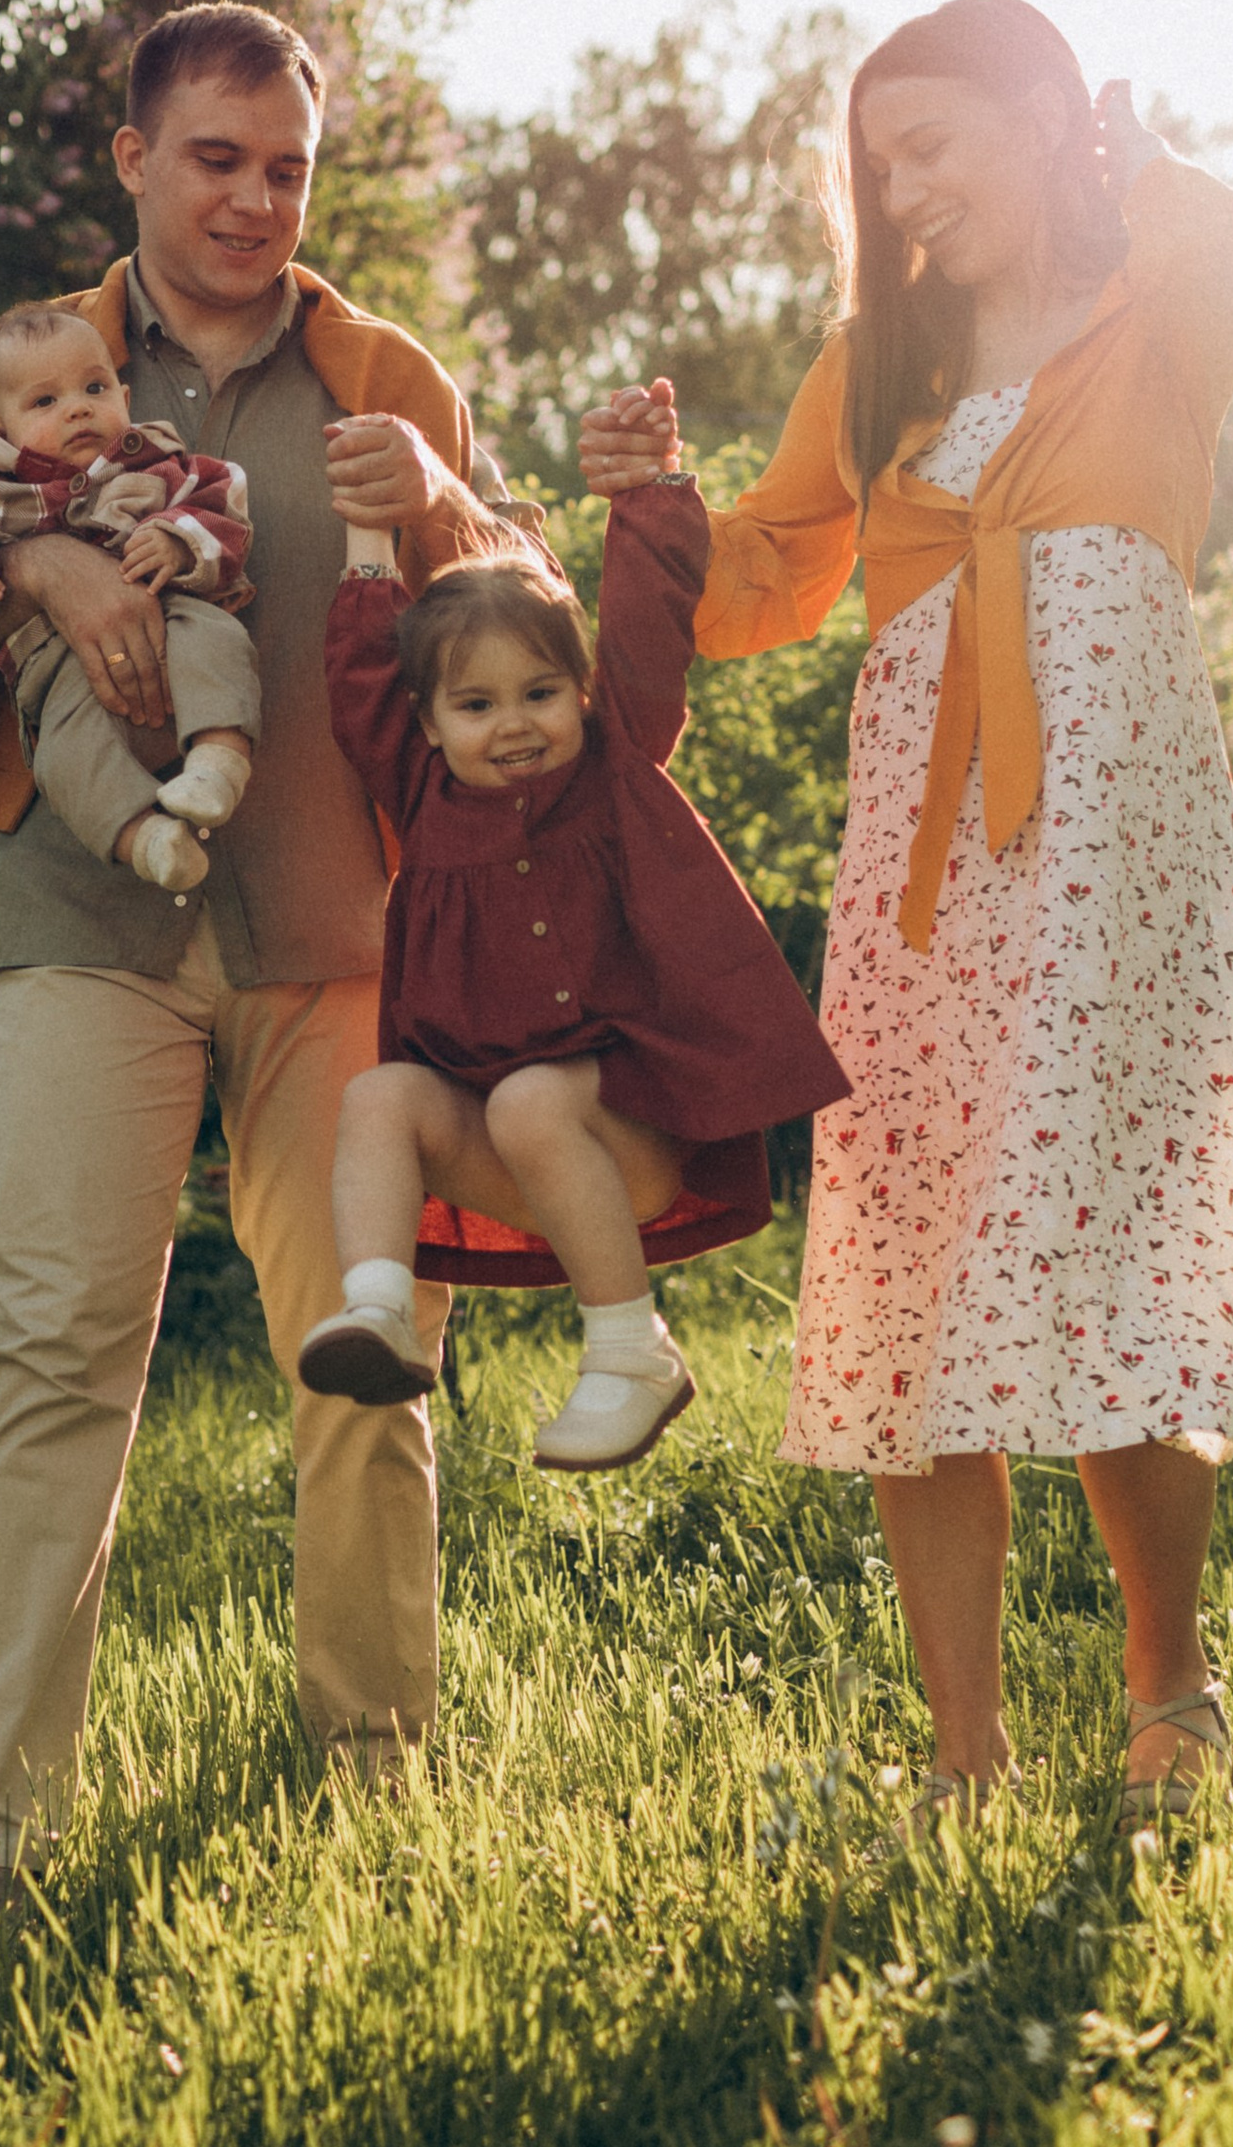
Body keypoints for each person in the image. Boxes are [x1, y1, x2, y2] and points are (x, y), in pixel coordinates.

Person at [582, 0, 1233, 1828]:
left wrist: (1114, 156)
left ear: (1045, 121)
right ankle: (967, 1757)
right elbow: (760, 586)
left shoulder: (1159, 305)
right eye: (879, 160)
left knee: (1103, 1236)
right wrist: (655, 505)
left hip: (1112, 837)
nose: (903, 187)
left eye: (940, 144)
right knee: (913, 1256)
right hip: (922, 854)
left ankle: (1169, 1690)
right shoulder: (876, 362)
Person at [0, 0, 537, 1929]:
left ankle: (377, 1785)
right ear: (138, 160)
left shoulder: (384, 368)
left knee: (367, 1361)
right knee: (58, 1348)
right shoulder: (34, 362)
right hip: (91, 930)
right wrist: (43, 571)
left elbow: (517, 634)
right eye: (217, 159)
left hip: (342, 945)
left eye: (287, 168)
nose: (254, 199)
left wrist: (457, 513)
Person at [299, 491, 850, 1465]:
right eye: (474, 705)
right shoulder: (420, 795)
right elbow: (358, 682)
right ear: (423, 723)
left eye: (539, 693)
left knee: (526, 1102)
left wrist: (647, 490)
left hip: (627, 1133)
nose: (512, 725)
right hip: (519, 1147)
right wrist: (365, 534)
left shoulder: (611, 766)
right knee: (382, 1095)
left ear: (583, 692)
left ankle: (630, 1351)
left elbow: (646, 630)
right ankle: (379, 1309)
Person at [0, 302, 258, 896]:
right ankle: (144, 838)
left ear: (125, 399)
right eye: (45, 402)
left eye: (94, 387)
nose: (78, 408)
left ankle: (218, 762)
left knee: (220, 639)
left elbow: (221, 503)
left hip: (171, 611)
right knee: (62, 756)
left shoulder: (153, 462)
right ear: (1, 431)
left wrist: (179, 542)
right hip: (53, 669)